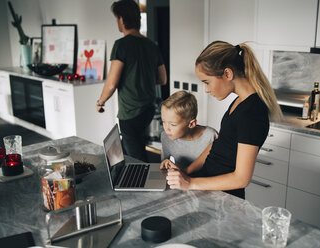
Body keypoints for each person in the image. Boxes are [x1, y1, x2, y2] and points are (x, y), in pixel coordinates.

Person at [161, 41, 282, 199]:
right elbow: (219, 144)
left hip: (225, 197)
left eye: (207, 82)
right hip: (207, 184)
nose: (206, 89)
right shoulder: (240, 101)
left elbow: (241, 178)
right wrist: (186, 172)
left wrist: (190, 182)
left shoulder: (252, 112)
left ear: (227, 74)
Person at [96, 0, 167, 162]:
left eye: (116, 19)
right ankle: (124, 176)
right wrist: (143, 79)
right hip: (148, 109)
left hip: (129, 111)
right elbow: (162, 79)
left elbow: (112, 83)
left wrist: (100, 102)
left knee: (136, 158)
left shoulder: (121, 45)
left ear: (121, 19)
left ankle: (141, 182)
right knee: (128, 147)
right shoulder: (151, 45)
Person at [160, 90, 218, 169]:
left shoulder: (210, 136)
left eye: (173, 124)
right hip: (181, 179)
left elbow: (219, 166)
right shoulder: (165, 137)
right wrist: (166, 163)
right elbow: (164, 163)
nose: (166, 129)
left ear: (191, 124)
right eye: (163, 122)